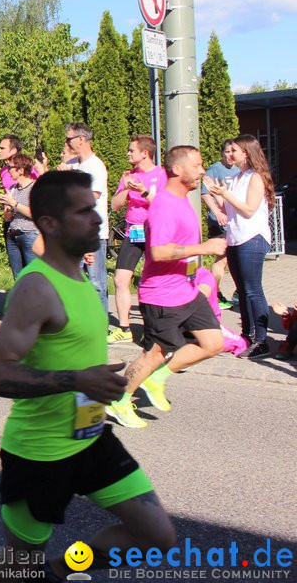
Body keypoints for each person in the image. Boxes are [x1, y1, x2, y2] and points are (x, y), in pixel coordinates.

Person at [0, 170, 175, 579]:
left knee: (157, 539)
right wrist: (78, 380)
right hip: (39, 453)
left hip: (89, 438)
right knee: (18, 567)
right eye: (84, 212)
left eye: (95, 209)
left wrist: (94, 381)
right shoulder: (36, 288)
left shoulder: (81, 276)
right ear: (50, 223)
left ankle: (58, 571)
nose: (98, 218)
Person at [106, 146, 227, 429]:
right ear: (177, 169)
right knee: (154, 354)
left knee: (213, 343)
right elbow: (158, 252)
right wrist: (205, 247)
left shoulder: (182, 200)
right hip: (162, 294)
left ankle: (156, 379)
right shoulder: (163, 204)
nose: (201, 171)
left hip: (186, 289)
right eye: (196, 165)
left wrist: (199, 274)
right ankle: (119, 401)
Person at [205, 134, 275, 360]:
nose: (229, 154)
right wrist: (217, 196)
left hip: (252, 237)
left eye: (233, 150)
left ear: (246, 152)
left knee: (253, 289)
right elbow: (229, 212)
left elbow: (248, 209)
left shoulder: (255, 177)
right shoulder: (236, 178)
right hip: (235, 238)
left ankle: (261, 340)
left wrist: (225, 194)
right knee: (242, 291)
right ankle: (248, 334)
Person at [108, 136, 167, 344]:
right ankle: (124, 328)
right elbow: (115, 206)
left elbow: (163, 205)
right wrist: (125, 188)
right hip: (133, 232)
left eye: (132, 150)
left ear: (145, 153)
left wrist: (142, 191)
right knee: (120, 279)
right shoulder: (128, 175)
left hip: (154, 232)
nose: (128, 154)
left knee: (154, 282)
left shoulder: (160, 175)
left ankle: (156, 329)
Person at [65, 122, 109, 313]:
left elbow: (93, 196)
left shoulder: (95, 166)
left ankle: (100, 324)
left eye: (69, 139)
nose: (67, 143)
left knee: (95, 281)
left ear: (81, 139)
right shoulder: (71, 164)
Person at [201, 140, 238, 310]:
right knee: (221, 259)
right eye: (227, 152)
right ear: (222, 153)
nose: (231, 155)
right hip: (219, 221)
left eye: (233, 151)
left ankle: (236, 291)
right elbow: (205, 193)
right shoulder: (214, 169)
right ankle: (214, 295)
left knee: (233, 257)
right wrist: (217, 212)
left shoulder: (238, 170)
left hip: (234, 221)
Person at [0, 154, 40, 280]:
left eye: (11, 167)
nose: (8, 170)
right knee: (18, 278)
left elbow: (35, 213)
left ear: (21, 170)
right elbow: (7, 218)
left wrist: (14, 203)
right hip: (12, 235)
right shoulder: (12, 189)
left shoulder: (36, 187)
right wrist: (8, 209)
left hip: (30, 235)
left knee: (33, 276)